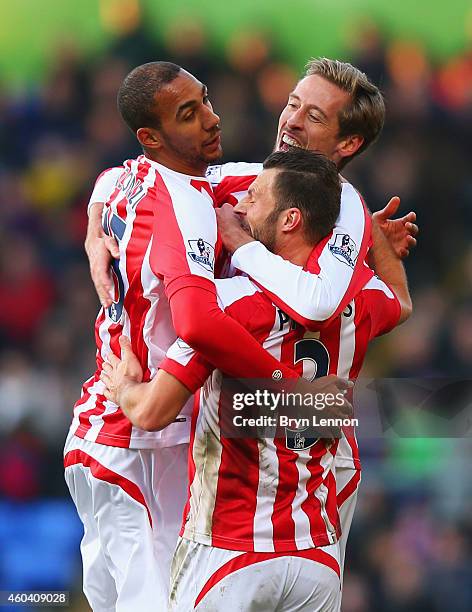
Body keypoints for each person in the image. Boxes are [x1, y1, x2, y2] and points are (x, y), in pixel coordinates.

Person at [83, 57, 417, 608]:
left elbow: (313, 303)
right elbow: (143, 172)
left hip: (231, 536)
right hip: (312, 507)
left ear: (348, 144)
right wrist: (98, 220)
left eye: (313, 116)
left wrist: (243, 247)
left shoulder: (252, 290)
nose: (291, 121)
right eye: (292, 104)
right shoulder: (353, 281)